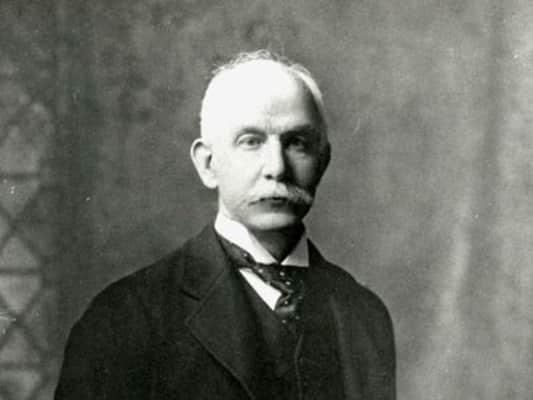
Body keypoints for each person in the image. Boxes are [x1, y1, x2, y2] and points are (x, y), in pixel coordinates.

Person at [54, 50, 396, 400]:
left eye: (297, 143)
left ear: (322, 160)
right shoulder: (123, 318)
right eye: (251, 142)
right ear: (208, 164)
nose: (276, 168)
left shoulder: (364, 315)